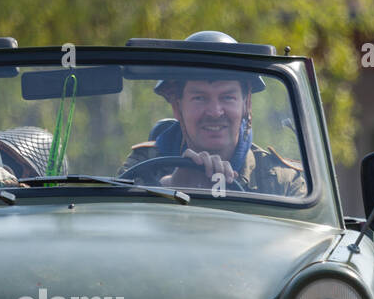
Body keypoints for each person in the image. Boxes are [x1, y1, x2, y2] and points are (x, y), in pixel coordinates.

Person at [118, 31, 307, 198]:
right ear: (177, 106)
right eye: (199, 98)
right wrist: (169, 186)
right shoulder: (142, 165)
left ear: (246, 104)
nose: (215, 112)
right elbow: (118, 214)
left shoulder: (283, 182)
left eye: (227, 97)